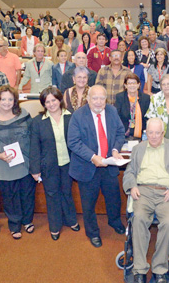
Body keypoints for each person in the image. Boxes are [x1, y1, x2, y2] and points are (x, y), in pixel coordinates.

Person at [67, 85, 126, 247]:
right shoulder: (78, 116)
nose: (99, 102)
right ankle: (92, 232)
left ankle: (114, 222)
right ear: (88, 99)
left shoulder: (112, 112)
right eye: (95, 98)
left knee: (114, 198)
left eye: (102, 98)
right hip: (87, 167)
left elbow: (121, 133)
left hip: (109, 166)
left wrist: (115, 149)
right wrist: (93, 157)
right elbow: (73, 142)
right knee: (88, 204)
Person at [122, 118, 169, 283]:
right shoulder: (139, 148)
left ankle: (160, 268)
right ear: (146, 133)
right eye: (150, 133)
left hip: (166, 192)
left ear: (163, 133)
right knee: (138, 219)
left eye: (157, 133)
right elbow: (129, 171)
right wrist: (132, 186)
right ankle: (139, 269)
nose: (154, 136)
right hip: (143, 190)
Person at [0, 86, 35, 240]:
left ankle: (27, 221)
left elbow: (33, 137)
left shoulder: (23, 115)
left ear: (15, 101)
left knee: (27, 195)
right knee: (10, 198)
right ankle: (15, 225)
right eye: (3, 99)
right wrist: (0, 155)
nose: (7, 102)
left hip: (25, 164)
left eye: (10, 99)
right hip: (3, 166)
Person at [29, 87, 80, 240]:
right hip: (48, 165)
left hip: (68, 164)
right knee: (52, 195)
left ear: (59, 100)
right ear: (43, 104)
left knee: (67, 192)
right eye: (47, 101)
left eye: (54, 100)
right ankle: (55, 225)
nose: (51, 104)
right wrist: (35, 169)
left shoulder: (71, 117)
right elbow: (34, 147)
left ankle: (70, 219)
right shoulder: (37, 122)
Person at [115, 73, 150, 139]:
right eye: (129, 83)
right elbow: (117, 117)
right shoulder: (120, 97)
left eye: (134, 83)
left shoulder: (146, 98)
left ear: (138, 85)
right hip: (124, 133)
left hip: (142, 134)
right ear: (125, 85)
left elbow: (147, 117)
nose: (132, 85)